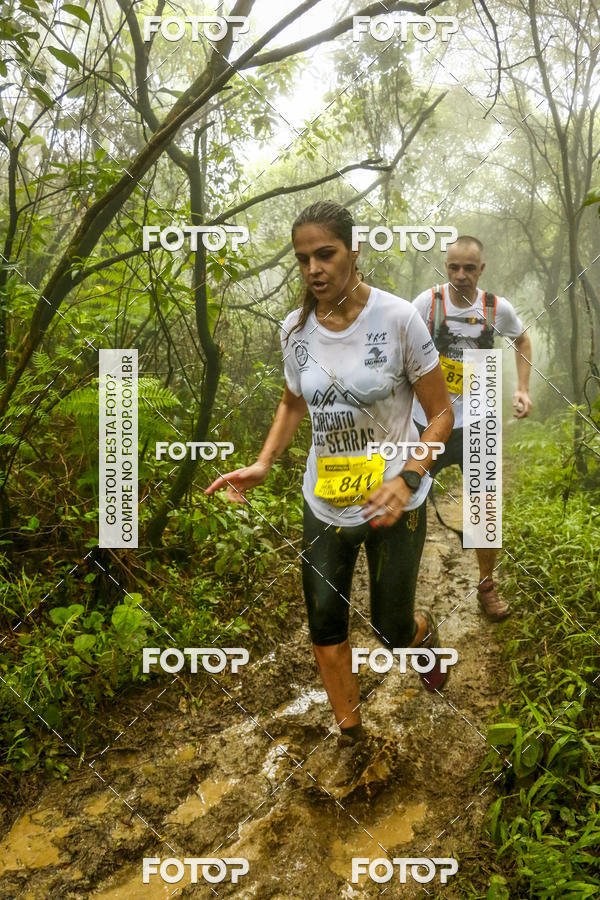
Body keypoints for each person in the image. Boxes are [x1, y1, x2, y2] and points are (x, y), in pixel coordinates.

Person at [205, 200, 454, 773]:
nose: (314, 269)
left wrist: (408, 476)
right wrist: (265, 463)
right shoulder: (294, 329)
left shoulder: (398, 320)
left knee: (392, 628)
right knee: (324, 620)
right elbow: (293, 401)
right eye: (303, 260)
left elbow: (440, 416)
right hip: (324, 500)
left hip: (397, 498)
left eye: (326, 254)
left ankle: (423, 638)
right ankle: (350, 736)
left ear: (353, 251)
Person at [412, 235, 533, 621]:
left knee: (484, 508)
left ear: (481, 270)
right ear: (446, 267)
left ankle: (486, 586)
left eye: (469, 268)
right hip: (428, 422)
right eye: (453, 267)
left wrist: (522, 389)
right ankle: (403, 591)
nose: (460, 275)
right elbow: (402, 349)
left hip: (479, 421)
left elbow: (522, 339)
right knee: (409, 505)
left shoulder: (496, 308)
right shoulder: (427, 304)